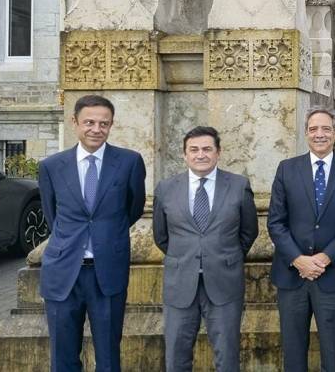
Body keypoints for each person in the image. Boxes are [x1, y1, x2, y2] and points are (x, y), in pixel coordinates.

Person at [37, 94, 146, 372]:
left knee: (109, 357)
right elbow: (52, 214)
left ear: (111, 125)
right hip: (63, 273)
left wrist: (105, 236)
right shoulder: (51, 166)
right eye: (89, 122)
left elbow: (132, 209)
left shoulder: (129, 162)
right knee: (63, 357)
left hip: (107, 272)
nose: (96, 129)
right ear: (74, 122)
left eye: (103, 123)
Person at [152, 126, 258, 372]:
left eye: (207, 149)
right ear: (185, 154)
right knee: (177, 354)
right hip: (179, 283)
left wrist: (224, 257)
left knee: (227, 354)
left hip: (224, 282)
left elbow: (248, 233)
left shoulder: (239, 186)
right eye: (194, 150)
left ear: (218, 152)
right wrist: (185, 256)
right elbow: (161, 236)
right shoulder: (166, 188)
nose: (201, 155)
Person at [268, 107, 335, 372]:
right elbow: (275, 222)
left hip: (334, 276)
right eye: (313, 129)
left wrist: (324, 257)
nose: (319, 134)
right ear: (306, 133)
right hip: (292, 277)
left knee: (334, 356)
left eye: (325, 129)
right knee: (293, 352)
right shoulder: (287, 169)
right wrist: (299, 260)